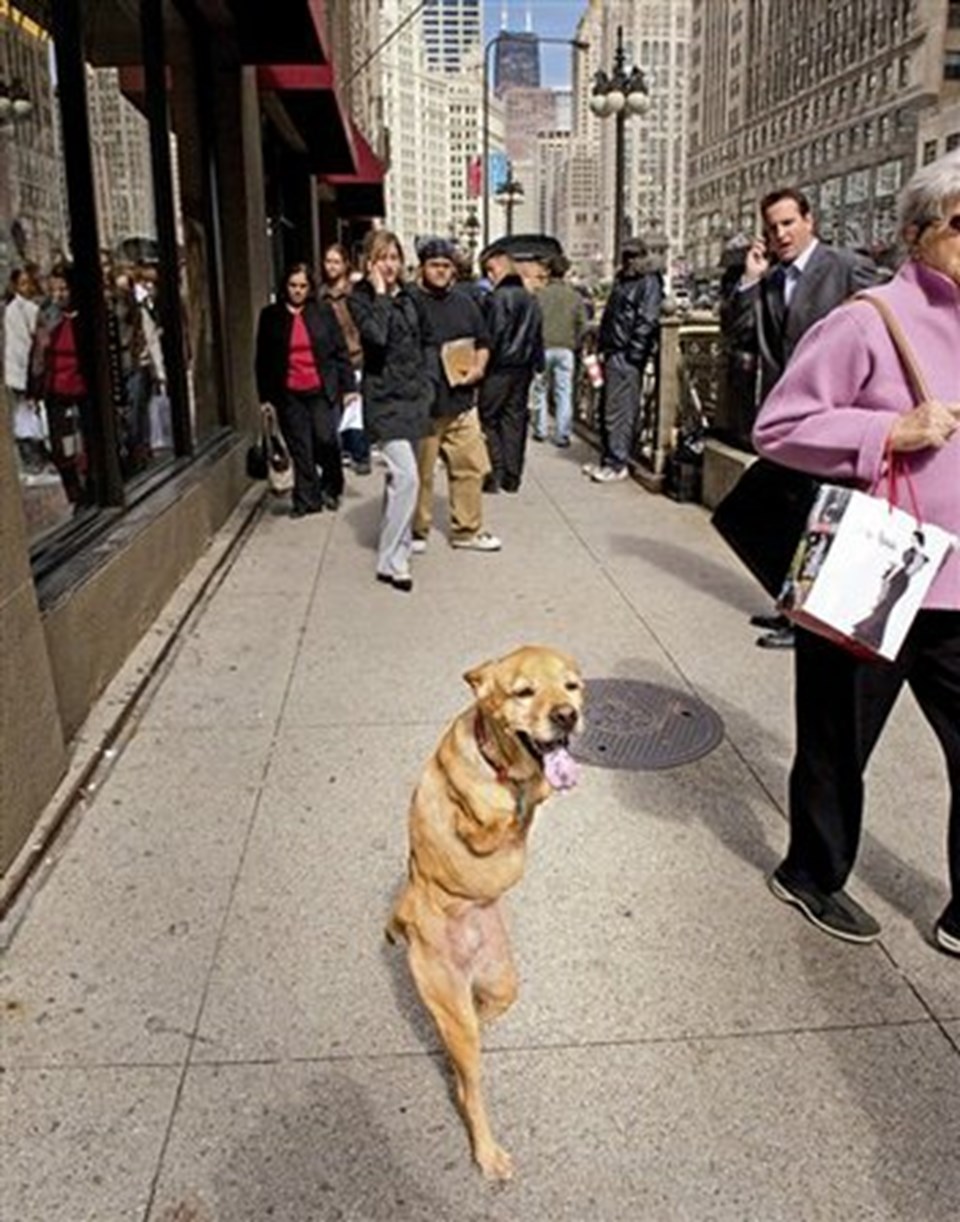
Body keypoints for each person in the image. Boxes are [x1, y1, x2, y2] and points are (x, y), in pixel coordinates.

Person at [752, 149, 960, 957]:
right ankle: (811, 873)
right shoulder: (869, 319)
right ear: (917, 234)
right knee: (837, 745)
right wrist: (886, 431)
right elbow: (778, 427)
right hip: (874, 570)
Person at [722, 187, 880, 647]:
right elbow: (738, 332)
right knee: (780, 513)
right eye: (772, 227)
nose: (781, 234)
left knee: (822, 517)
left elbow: (888, 322)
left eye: (788, 223)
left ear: (809, 221)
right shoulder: (769, 279)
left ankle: (808, 623)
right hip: (789, 418)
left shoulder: (846, 267)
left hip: (837, 415)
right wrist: (750, 281)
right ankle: (792, 608)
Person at [348, 231, 434, 591]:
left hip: (414, 397)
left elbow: (427, 339)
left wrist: (428, 383)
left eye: (394, 257)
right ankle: (392, 559)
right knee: (408, 477)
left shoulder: (413, 296)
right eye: (382, 258)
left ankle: (397, 550)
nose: (390, 265)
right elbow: (376, 337)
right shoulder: (361, 299)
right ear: (370, 263)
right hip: (384, 400)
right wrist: (381, 293)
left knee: (400, 480)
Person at [410, 236, 500, 554]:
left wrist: (478, 368)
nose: (441, 271)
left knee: (471, 466)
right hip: (423, 406)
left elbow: (484, 341)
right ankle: (416, 531)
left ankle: (467, 529)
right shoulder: (409, 301)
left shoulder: (465, 302)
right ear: (422, 267)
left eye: (446, 266)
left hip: (461, 402)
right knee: (420, 474)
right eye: (435, 265)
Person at [255, 262, 353, 518]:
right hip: (289, 393)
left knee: (326, 439)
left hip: (320, 388)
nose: (297, 291)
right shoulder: (271, 316)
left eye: (302, 286)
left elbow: (340, 350)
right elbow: (262, 360)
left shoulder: (322, 312)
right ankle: (306, 500)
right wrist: (265, 397)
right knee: (301, 448)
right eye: (293, 286)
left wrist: (348, 387)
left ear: (309, 288)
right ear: (285, 286)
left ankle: (331, 485)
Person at [588, 239, 663, 483]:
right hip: (613, 351)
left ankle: (617, 462)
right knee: (608, 408)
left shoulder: (648, 281)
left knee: (620, 410)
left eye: (634, 256)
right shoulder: (623, 281)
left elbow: (647, 319)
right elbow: (612, 316)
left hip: (626, 354)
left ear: (643, 256)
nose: (629, 260)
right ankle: (610, 458)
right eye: (626, 255)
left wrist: (635, 354)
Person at [477, 242, 544, 494]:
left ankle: (495, 471)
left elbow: (492, 335)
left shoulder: (497, 299)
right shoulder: (530, 299)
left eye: (489, 272)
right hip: (523, 369)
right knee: (514, 420)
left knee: (488, 418)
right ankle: (512, 477)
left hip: (498, 368)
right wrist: (538, 365)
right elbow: (538, 337)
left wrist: (482, 365)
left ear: (496, 269)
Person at [28, 265, 92, 508]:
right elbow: (37, 355)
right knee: (61, 447)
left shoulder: (83, 315)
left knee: (84, 443)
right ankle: (74, 492)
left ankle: (90, 486)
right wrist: (34, 389)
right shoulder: (46, 315)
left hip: (81, 388)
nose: (59, 294)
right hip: (56, 390)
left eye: (63, 288)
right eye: (54, 289)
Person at [320, 243, 371, 475]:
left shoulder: (355, 294)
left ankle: (360, 453)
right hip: (330, 362)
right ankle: (341, 451)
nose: (331, 266)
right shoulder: (320, 295)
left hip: (356, 358)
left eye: (335, 262)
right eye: (328, 261)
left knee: (355, 410)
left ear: (345, 265)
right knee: (338, 410)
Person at [530, 253, 587, 448]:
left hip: (542, 348)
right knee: (564, 392)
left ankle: (540, 429)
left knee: (540, 390)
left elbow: (532, 323)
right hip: (566, 350)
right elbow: (583, 325)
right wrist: (575, 342)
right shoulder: (575, 296)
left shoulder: (538, 295)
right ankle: (562, 434)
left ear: (548, 272)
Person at [4, 266, 43, 473]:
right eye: (22, 283)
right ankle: (30, 456)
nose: (27, 287)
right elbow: (21, 344)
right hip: (19, 370)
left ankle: (34, 455)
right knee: (24, 413)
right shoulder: (14, 310)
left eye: (29, 283)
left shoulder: (33, 308)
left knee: (30, 412)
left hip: (26, 369)